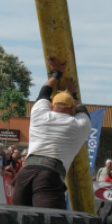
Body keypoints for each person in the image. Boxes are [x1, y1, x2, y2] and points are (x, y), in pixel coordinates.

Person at [12, 56, 91, 209]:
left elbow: (44, 92)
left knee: (18, 222)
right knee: (50, 223)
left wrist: (57, 73)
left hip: (25, 172)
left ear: (52, 106)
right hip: (49, 174)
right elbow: (82, 109)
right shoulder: (79, 125)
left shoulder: (39, 114)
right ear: (71, 109)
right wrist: (73, 96)